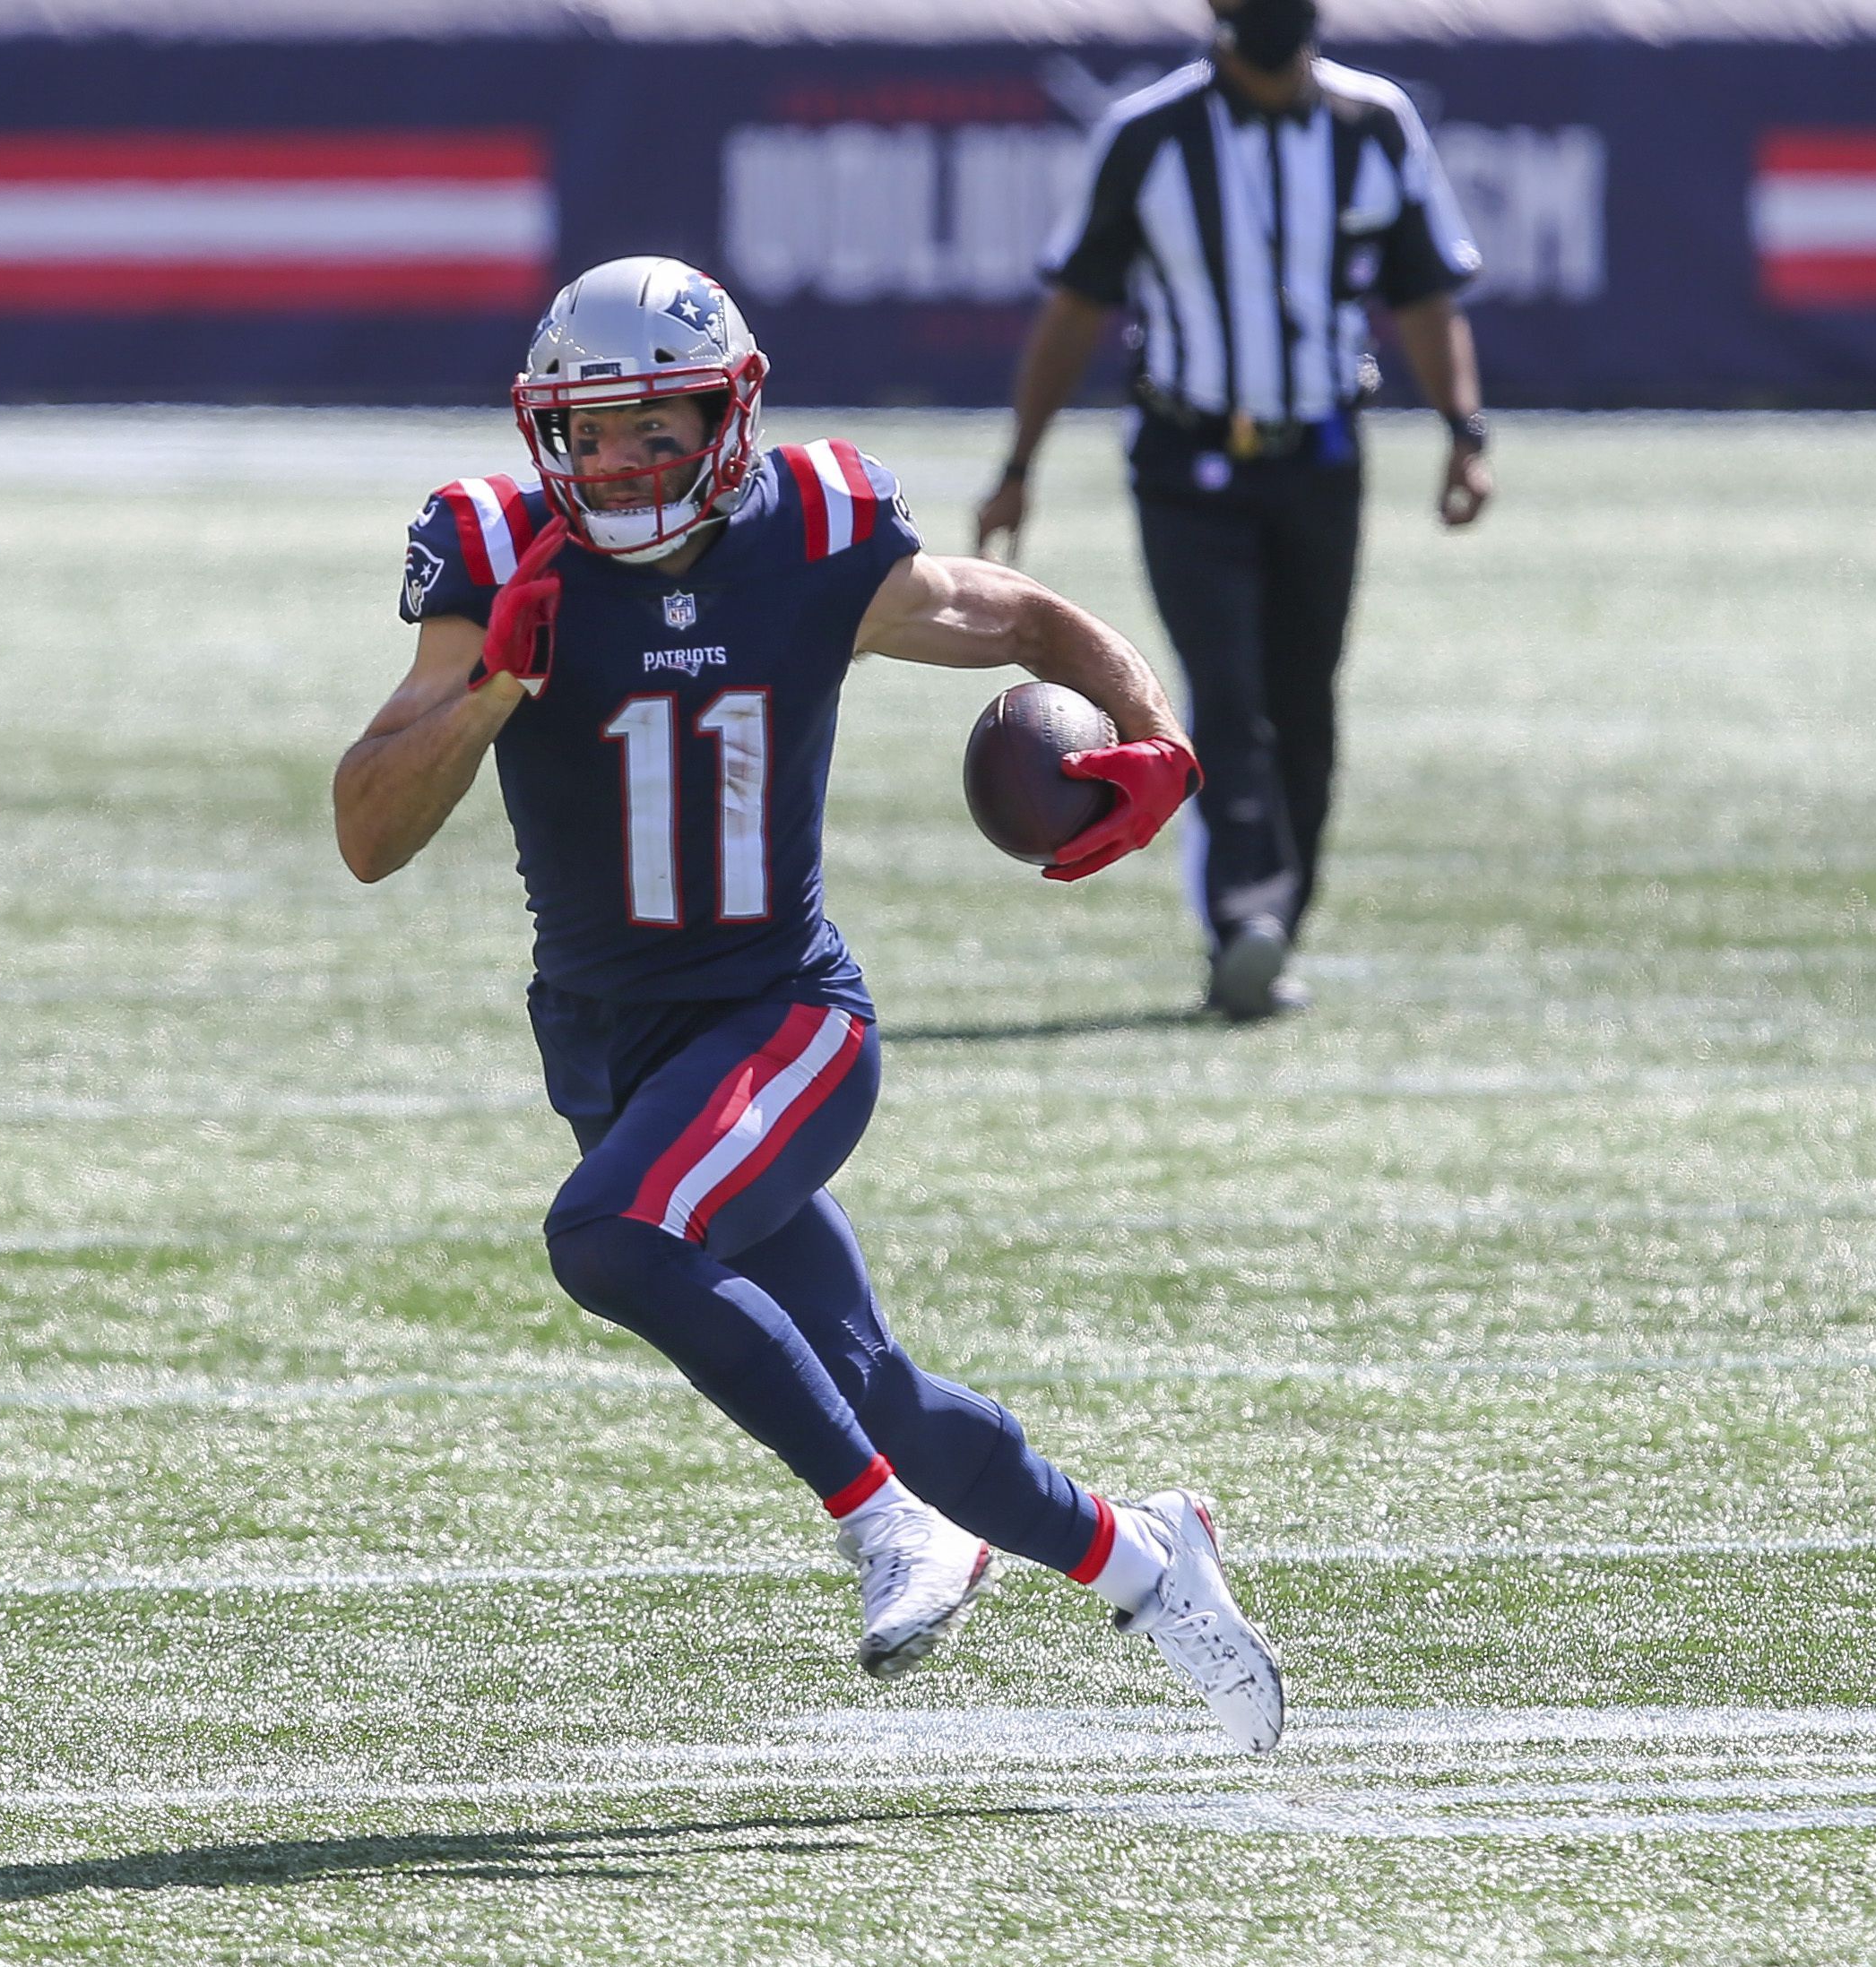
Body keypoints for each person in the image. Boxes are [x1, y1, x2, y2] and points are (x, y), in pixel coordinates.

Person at [334, 255, 1285, 1751]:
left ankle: (887, 1527)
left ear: (730, 420)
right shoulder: (494, 551)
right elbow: (369, 834)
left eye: (663, 426)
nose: (626, 461)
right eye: (596, 430)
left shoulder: (810, 532)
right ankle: (1146, 1552)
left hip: (782, 1025)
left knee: (610, 1234)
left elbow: (1026, 617)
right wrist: (490, 696)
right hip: (613, 1050)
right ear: (546, 434)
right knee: (876, 1392)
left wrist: (1152, 736)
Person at [976, 0, 1493, 1021]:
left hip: (1319, 454)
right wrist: (1019, 461)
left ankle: (1273, 922)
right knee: (1223, 687)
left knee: (1304, 699)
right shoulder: (1147, 135)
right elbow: (1076, 304)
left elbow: (1423, 294)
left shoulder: (1373, 123)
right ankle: (1242, 920)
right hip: (1185, 459)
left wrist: (1462, 430)